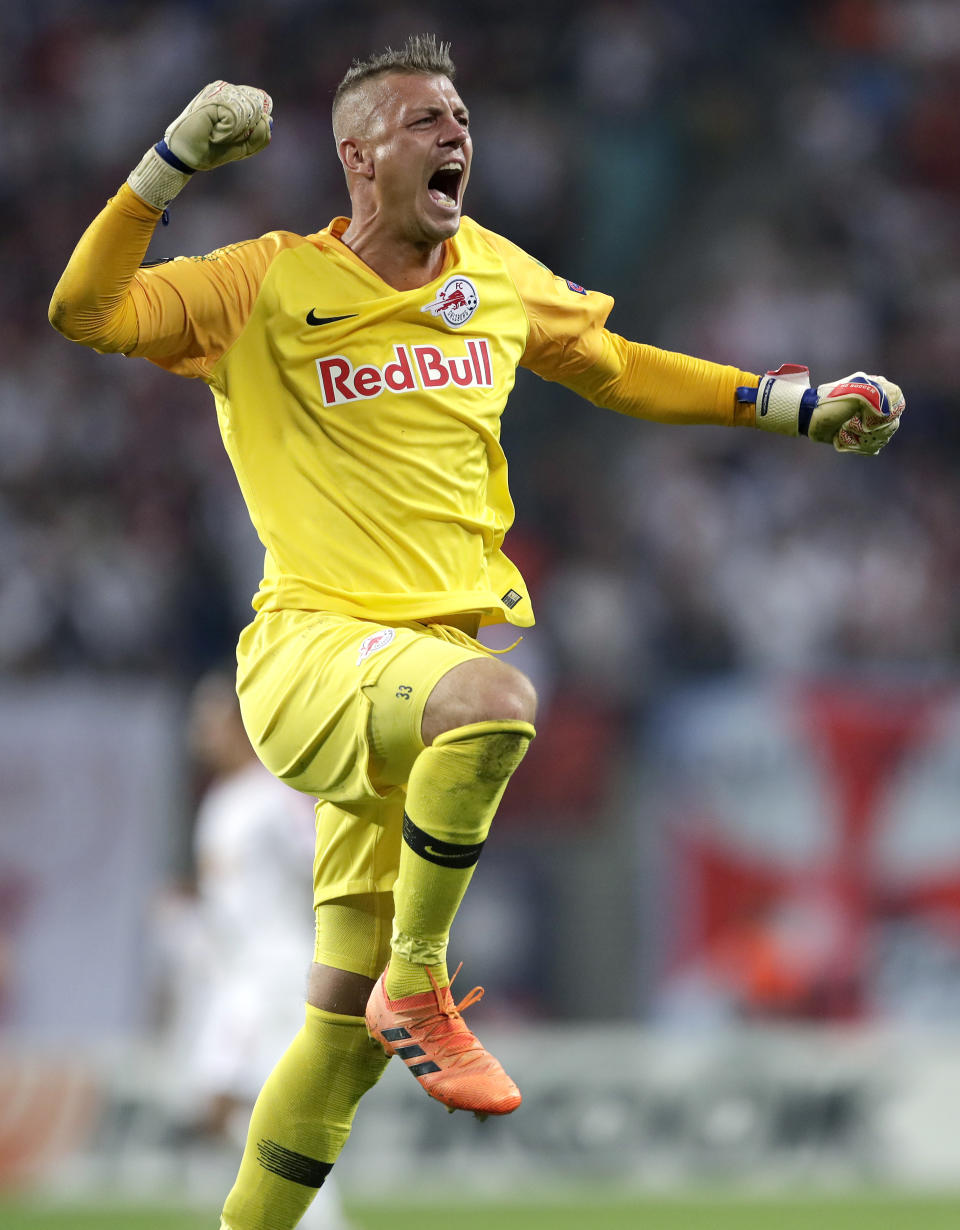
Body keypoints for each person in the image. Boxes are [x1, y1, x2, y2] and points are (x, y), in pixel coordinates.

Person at [48, 34, 905, 1230]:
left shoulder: (492, 273)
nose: (457, 134)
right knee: (499, 705)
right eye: (423, 121)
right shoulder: (264, 283)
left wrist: (788, 404)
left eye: (462, 118)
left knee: (333, 1044)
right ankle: (426, 987)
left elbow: (613, 365)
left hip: (414, 680)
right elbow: (83, 309)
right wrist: (172, 160)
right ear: (357, 156)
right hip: (313, 654)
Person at [167, 672, 354, 1229]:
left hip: (272, 975)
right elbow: (229, 898)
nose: (203, 736)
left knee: (238, 1107)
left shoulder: (276, 795)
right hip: (234, 976)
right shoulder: (222, 802)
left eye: (213, 723)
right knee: (238, 1113)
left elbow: (323, 862)